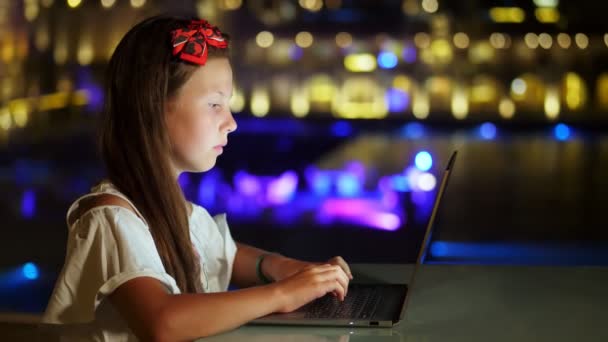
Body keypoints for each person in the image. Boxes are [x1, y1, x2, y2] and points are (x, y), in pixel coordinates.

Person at [42, 15, 352, 341]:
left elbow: (228, 256)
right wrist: (283, 294)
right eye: (215, 104)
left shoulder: (173, 208)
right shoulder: (110, 217)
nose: (231, 123)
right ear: (153, 106)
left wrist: (287, 269)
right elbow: (163, 322)